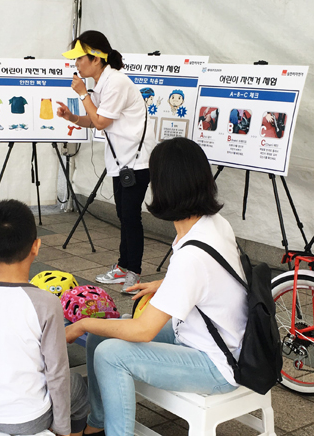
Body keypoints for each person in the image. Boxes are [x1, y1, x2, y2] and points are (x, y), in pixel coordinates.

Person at [65, 137, 248, 436]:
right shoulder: (213, 223)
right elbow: (215, 276)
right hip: (207, 337)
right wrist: (164, 283)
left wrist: (81, 323)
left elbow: (143, 332)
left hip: (218, 364)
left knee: (111, 352)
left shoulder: (191, 255)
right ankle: (96, 424)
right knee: (102, 334)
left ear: (164, 186)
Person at [0, 199, 89, 436]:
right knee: (79, 387)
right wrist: (60, 429)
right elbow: (57, 371)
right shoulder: (46, 302)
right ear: (36, 246)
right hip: (30, 419)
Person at [58, 30, 155, 292]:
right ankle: (124, 267)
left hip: (137, 161)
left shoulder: (116, 82)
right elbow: (94, 120)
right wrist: (72, 118)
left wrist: (82, 95)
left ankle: (132, 270)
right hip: (122, 161)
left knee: (131, 217)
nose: (76, 64)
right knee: (124, 215)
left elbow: (101, 121)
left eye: (80, 59)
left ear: (97, 59)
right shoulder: (102, 83)